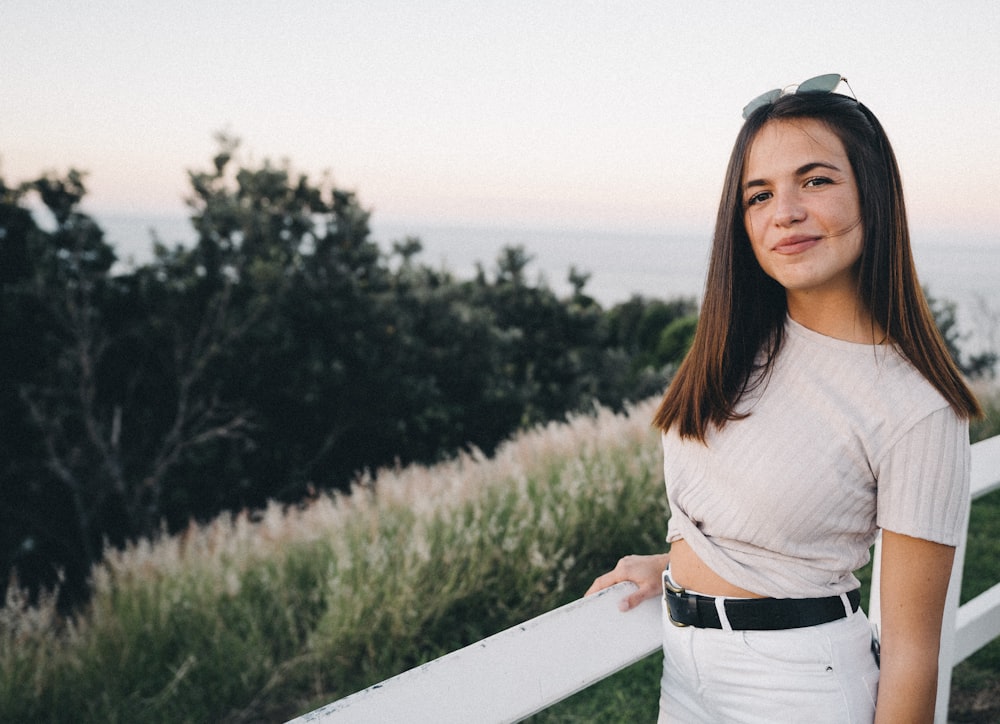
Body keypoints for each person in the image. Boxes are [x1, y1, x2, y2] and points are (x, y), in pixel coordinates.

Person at [586, 74, 981, 723]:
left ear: (872, 193)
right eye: (759, 194)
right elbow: (755, 512)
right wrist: (681, 566)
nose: (785, 211)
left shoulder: (915, 404)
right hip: (686, 671)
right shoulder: (737, 346)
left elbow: (912, 653)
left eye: (816, 180)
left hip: (800, 688)